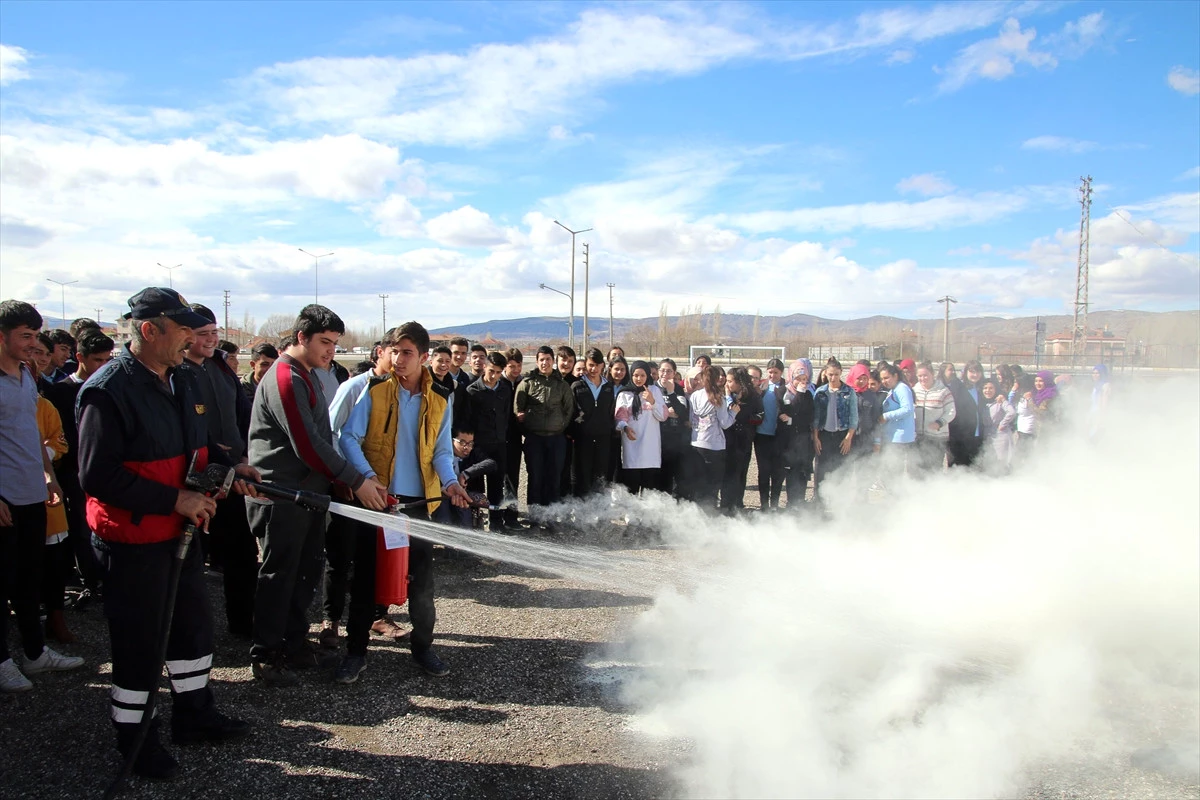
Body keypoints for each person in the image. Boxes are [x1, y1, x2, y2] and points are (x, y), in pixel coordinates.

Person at [77, 288, 255, 777]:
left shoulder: (184, 380)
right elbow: (97, 474)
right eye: (182, 330)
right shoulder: (107, 390)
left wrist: (231, 467)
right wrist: (175, 499)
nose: (191, 340)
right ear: (150, 330)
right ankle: (135, 741)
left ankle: (194, 715)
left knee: (191, 628)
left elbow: (196, 447)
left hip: (180, 534)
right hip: (133, 542)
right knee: (140, 644)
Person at [246, 305, 389, 686]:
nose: (331, 351)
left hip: (307, 496)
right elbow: (308, 446)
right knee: (279, 576)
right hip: (280, 496)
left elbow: (322, 440)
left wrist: (341, 481)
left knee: (303, 574)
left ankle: (294, 645)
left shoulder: (309, 374)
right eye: (325, 342)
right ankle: (266, 655)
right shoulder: (285, 378)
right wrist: (355, 480)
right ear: (301, 338)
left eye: (335, 344)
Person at [338, 321, 471, 683]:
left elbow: (442, 451)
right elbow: (349, 437)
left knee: (422, 583)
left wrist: (449, 482)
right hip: (378, 501)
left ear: (424, 357)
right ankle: (355, 652)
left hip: (418, 505)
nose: (398, 359)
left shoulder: (441, 397)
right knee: (366, 579)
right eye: (394, 351)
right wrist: (368, 479)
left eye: (407, 352)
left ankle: (424, 647)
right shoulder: (374, 389)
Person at [1, 300, 81, 696]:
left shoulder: (24, 377)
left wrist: (48, 477)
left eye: (36, 337)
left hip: (32, 493)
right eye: (26, 337)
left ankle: (34, 652)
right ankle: (2, 663)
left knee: (29, 578)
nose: (34, 345)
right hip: (4, 499)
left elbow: (31, 435)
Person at [321, 334, 406, 649]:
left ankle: (377, 615)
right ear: (380, 353)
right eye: (394, 352)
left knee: (378, 557)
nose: (399, 361)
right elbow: (331, 433)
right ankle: (330, 620)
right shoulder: (353, 387)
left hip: (384, 492)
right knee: (340, 557)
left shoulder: (401, 391)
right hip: (348, 489)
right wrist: (346, 478)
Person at [182, 304, 255, 638]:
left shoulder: (221, 370)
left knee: (241, 553)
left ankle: (243, 623)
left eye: (214, 332)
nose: (211, 340)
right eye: (203, 334)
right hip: (191, 482)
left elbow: (242, 413)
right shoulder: (176, 373)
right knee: (189, 561)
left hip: (232, 475)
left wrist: (241, 457)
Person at [44, 329, 115, 606]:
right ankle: (90, 579)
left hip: (104, 470)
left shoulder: (110, 388)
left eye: (108, 360)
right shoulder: (60, 392)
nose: (102, 367)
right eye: (97, 360)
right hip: (73, 471)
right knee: (83, 527)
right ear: (80, 358)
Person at [514, 346, 575, 511]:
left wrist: (560, 426)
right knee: (535, 477)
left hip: (556, 439)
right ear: (537, 361)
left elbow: (569, 409)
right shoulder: (527, 383)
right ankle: (535, 515)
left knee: (554, 477)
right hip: (534, 439)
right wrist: (528, 428)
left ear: (553, 361)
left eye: (548, 359)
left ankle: (551, 515)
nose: (545, 363)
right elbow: (518, 409)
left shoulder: (561, 385)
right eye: (541, 359)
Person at [464, 351, 514, 529]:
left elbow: (506, 415)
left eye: (499, 372)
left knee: (496, 486)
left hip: (499, 444)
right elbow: (468, 420)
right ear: (484, 366)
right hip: (479, 447)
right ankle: (475, 522)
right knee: (477, 487)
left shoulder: (505, 389)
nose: (494, 376)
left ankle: (496, 522)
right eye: (491, 371)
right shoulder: (472, 391)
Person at [614, 361, 668, 495]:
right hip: (632, 447)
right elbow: (619, 419)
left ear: (647, 376)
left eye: (642, 375)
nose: (639, 379)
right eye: (636, 375)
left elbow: (663, 416)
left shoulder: (654, 391)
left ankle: (646, 515)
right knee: (631, 487)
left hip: (650, 449)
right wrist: (626, 428)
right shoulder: (624, 394)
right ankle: (630, 515)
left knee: (648, 490)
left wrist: (652, 401)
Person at [568, 348, 616, 498]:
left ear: (602, 365)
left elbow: (611, 412)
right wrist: (574, 431)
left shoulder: (608, 387)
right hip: (583, 438)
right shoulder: (577, 386)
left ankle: (596, 511)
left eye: (596, 365)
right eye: (590, 365)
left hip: (603, 437)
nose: (593, 369)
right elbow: (572, 411)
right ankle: (581, 511)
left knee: (600, 474)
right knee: (582, 473)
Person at [688, 365, 735, 510]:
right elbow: (725, 423)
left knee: (699, 481)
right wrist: (734, 413)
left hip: (696, 442)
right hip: (715, 445)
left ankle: (697, 511)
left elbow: (691, 419)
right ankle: (710, 512)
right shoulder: (718, 398)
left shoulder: (694, 396)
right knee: (713, 483)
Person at [811, 359, 858, 500]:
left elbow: (853, 418)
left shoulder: (849, 392)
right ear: (825, 373)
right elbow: (816, 417)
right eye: (830, 374)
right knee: (821, 470)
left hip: (841, 436)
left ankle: (839, 504)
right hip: (824, 435)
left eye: (836, 374)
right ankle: (819, 502)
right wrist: (816, 437)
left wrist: (848, 438)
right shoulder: (820, 392)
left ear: (841, 373)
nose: (833, 378)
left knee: (841, 469)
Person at [719, 367, 762, 514]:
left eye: (730, 381)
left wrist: (747, 418)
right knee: (727, 473)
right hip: (727, 439)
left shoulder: (752, 396)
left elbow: (758, 416)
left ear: (739, 382)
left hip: (743, 439)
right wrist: (728, 396)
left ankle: (737, 503)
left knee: (740, 472)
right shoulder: (725, 394)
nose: (727, 384)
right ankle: (725, 503)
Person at [754, 359, 789, 511]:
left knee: (778, 471)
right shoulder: (762, 388)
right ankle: (764, 504)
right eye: (770, 372)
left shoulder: (787, 387)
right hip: (762, 435)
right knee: (763, 470)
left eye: (776, 372)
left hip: (780, 436)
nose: (773, 375)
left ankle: (774, 503)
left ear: (781, 373)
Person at [656, 358, 691, 498]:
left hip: (677, 438)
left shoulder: (678, 389)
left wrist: (671, 394)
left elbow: (682, 413)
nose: (665, 373)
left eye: (669, 371)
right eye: (663, 370)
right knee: (661, 475)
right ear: (658, 372)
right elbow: (656, 413)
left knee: (677, 474)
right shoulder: (653, 388)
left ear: (674, 373)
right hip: (659, 437)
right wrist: (667, 412)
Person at [782, 359, 815, 507]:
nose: (802, 383)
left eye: (804, 379)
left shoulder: (808, 394)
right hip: (789, 439)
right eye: (798, 379)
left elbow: (808, 416)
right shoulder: (785, 392)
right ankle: (791, 501)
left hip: (804, 439)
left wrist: (802, 395)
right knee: (791, 471)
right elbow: (789, 411)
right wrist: (799, 395)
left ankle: (800, 501)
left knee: (803, 470)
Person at [912, 361, 955, 474]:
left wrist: (939, 423)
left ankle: (933, 490)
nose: (923, 378)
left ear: (932, 374)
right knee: (917, 469)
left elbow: (951, 411)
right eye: (920, 376)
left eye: (925, 375)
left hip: (936, 438)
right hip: (918, 437)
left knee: (933, 469)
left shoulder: (943, 391)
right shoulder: (914, 391)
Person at [877, 361, 916, 479]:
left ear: (895, 376)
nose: (884, 381)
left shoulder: (901, 388)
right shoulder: (893, 389)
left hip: (899, 437)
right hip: (892, 435)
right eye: (882, 379)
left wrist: (886, 416)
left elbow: (908, 409)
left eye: (887, 378)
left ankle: (895, 496)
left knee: (893, 472)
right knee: (890, 471)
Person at [946, 360, 988, 468]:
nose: (975, 375)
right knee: (958, 469)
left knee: (975, 469)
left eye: (978, 372)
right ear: (965, 372)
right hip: (959, 437)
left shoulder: (981, 388)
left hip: (977, 436)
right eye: (972, 371)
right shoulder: (957, 386)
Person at [501, 348, 524, 528]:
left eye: (518, 366)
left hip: (515, 439)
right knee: (498, 479)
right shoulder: (499, 384)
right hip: (499, 439)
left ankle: (511, 517)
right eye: (511, 366)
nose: (515, 370)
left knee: (513, 479)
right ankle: (496, 515)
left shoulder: (522, 384)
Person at [603, 356, 630, 484]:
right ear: (610, 369)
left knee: (622, 465)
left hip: (625, 432)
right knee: (609, 464)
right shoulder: (604, 386)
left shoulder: (630, 388)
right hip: (607, 432)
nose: (619, 372)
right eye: (616, 369)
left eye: (623, 369)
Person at [982, 379, 1015, 472]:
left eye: (991, 388)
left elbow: (1011, 412)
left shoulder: (1000, 401)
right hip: (986, 435)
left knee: (1000, 462)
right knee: (989, 461)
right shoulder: (982, 402)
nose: (988, 390)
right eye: (985, 388)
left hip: (1000, 436)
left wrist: (1002, 424)